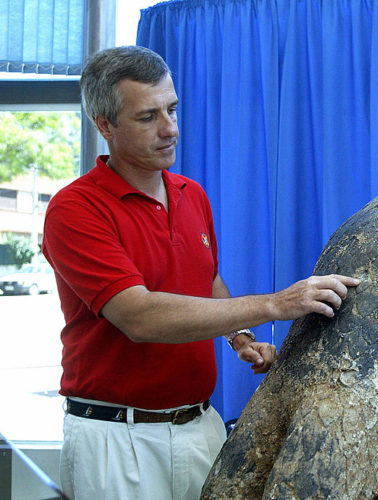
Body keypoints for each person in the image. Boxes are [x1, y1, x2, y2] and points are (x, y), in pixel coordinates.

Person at [41, 45, 360, 500]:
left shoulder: (192, 194)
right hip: (116, 440)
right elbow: (139, 316)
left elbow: (206, 281)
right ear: (105, 125)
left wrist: (242, 336)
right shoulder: (75, 209)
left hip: (200, 428)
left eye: (172, 109)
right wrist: (275, 304)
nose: (170, 128)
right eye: (148, 117)